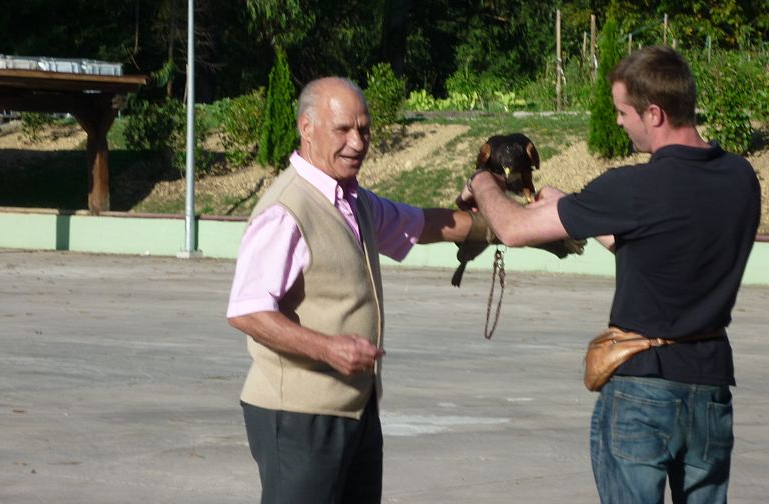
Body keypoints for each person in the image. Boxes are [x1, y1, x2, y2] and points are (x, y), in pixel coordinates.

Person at [457, 46, 760, 503]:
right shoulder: (740, 177)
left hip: (643, 389)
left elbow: (514, 229)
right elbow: (652, 246)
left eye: (622, 111)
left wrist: (482, 180)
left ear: (653, 113)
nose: (618, 121)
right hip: (711, 386)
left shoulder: (631, 187)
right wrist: (572, 207)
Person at [226, 76, 479, 504]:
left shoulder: (353, 199)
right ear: (306, 128)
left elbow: (424, 224)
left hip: (355, 410)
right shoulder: (286, 209)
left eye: (364, 129)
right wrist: (327, 348)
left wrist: (506, 224)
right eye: (343, 130)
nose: (358, 142)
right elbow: (247, 311)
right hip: (299, 415)